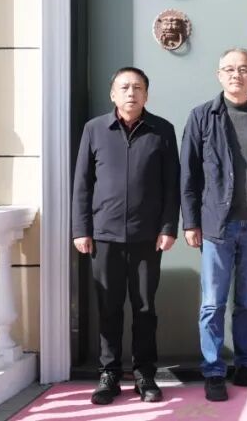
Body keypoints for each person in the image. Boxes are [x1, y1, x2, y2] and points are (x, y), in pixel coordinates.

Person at [71, 67, 179, 405]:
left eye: (137, 87)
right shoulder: (95, 129)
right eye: (124, 87)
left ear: (146, 94)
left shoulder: (162, 130)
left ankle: (145, 374)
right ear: (113, 94)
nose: (131, 93)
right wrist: (81, 229)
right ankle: (109, 373)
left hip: (148, 237)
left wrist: (168, 227)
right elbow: (82, 184)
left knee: (145, 308)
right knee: (109, 308)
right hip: (104, 235)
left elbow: (171, 186)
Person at [181, 48, 247, 401]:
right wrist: (190, 221)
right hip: (217, 225)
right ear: (219, 75)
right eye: (229, 69)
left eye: (243, 69)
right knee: (213, 303)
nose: (236, 75)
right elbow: (189, 174)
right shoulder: (202, 116)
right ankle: (213, 370)